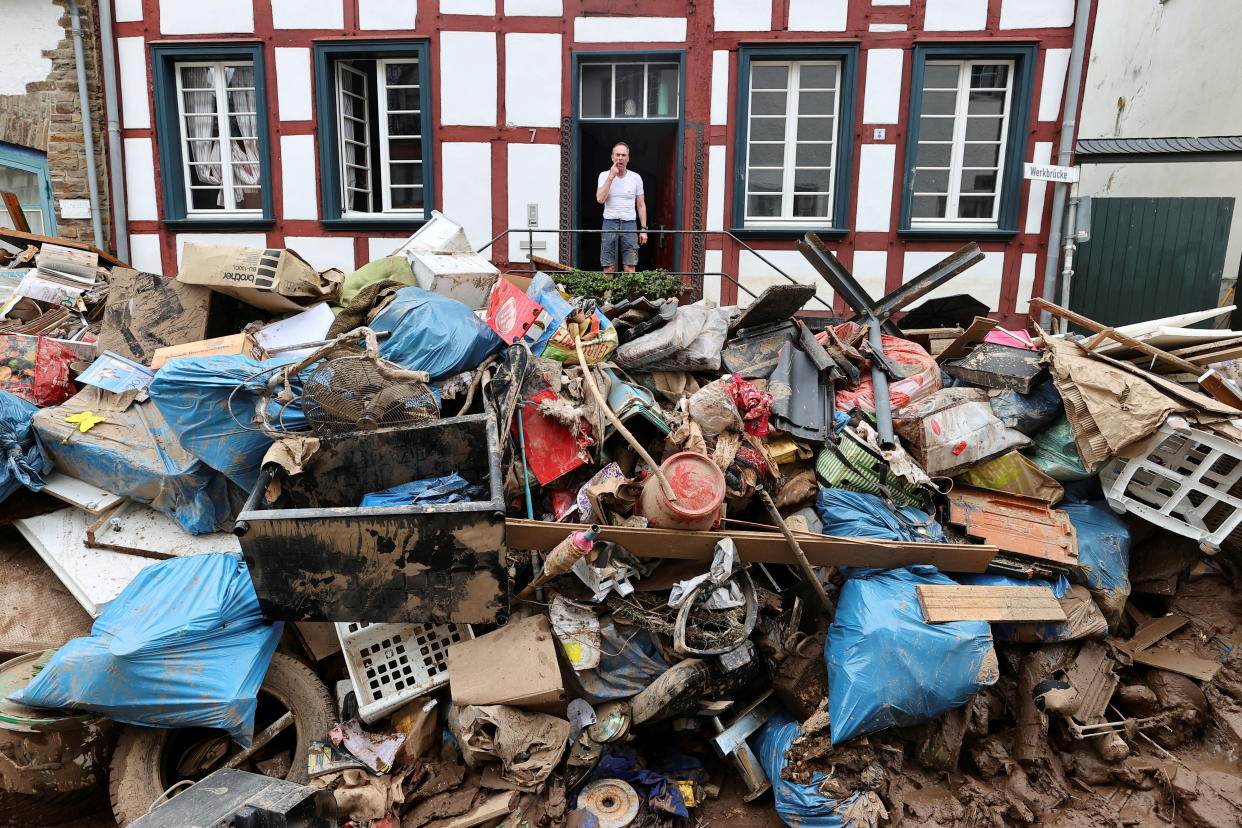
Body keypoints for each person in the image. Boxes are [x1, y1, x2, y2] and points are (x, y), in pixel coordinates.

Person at [595, 142, 648, 272]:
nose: (620, 158)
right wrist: (611, 177)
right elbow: (600, 199)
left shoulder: (636, 177)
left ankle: (628, 293)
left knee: (630, 265)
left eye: (623, 155)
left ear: (628, 158)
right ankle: (608, 293)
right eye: (617, 155)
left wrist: (643, 229)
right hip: (609, 223)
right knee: (608, 266)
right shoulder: (604, 175)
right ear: (612, 157)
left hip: (629, 224)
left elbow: (641, 205)